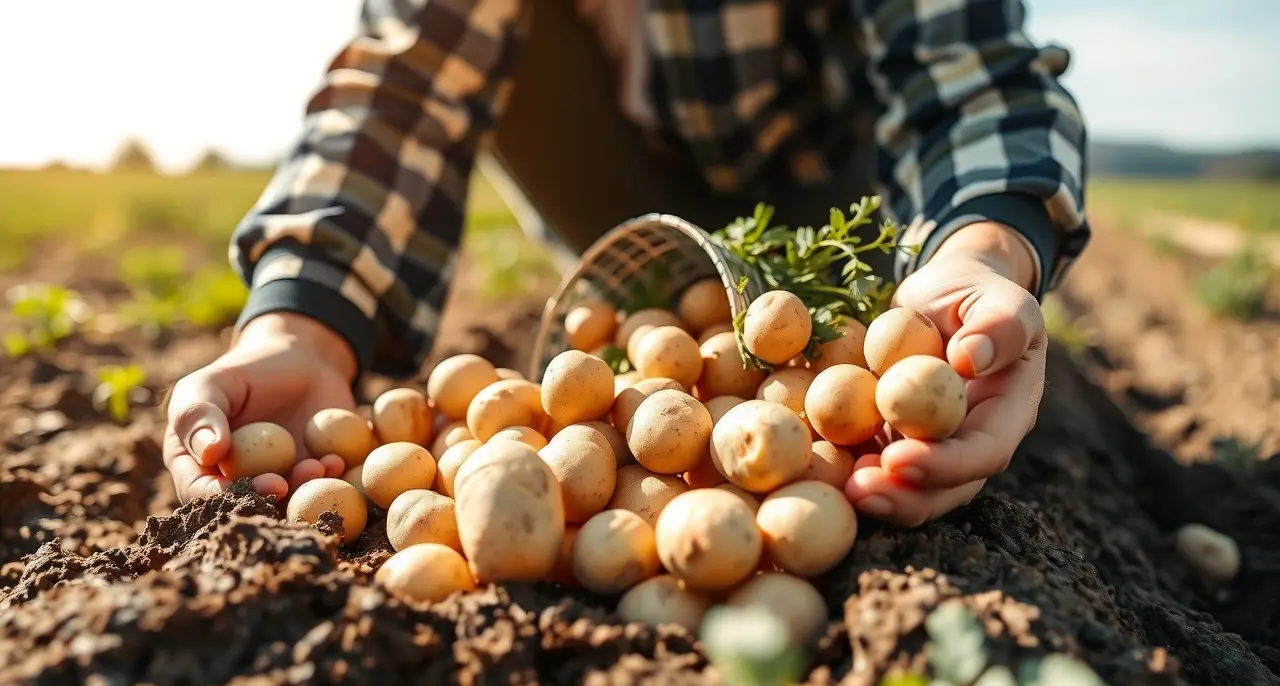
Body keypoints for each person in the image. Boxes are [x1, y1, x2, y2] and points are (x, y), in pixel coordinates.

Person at [164, 0, 1088, 528]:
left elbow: (973, 73)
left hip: (828, 211)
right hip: (624, 211)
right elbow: (402, 87)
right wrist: (301, 320)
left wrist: (984, 248)